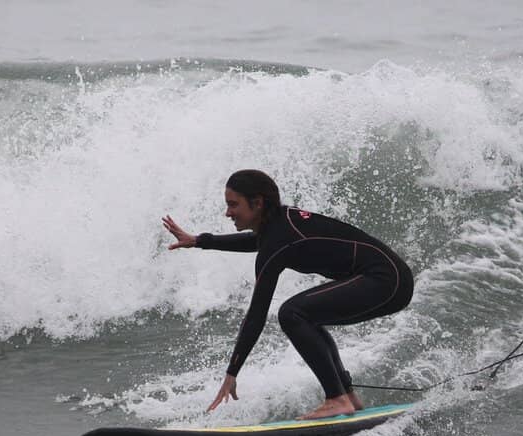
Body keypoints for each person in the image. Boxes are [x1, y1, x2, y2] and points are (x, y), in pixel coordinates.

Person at [162, 170, 414, 420]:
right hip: (390, 278)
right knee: (306, 316)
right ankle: (346, 397)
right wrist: (199, 241)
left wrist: (232, 373)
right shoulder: (279, 225)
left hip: (385, 280)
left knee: (293, 313)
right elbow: (256, 242)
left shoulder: (278, 238)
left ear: (257, 203)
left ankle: (337, 399)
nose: (228, 212)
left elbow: (256, 315)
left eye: (233, 204)